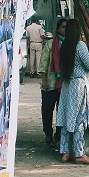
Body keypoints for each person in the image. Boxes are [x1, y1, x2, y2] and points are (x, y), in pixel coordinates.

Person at [57, 19, 89, 164]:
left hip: (67, 86)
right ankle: (80, 154)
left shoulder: (64, 46)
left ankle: (65, 152)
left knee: (67, 117)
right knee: (79, 119)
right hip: (79, 86)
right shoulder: (80, 46)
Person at [39, 19, 66, 147]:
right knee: (47, 109)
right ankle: (48, 133)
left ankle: (59, 135)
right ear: (57, 29)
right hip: (50, 82)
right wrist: (44, 80)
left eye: (67, 28)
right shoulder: (50, 44)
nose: (64, 30)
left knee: (61, 111)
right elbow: (43, 63)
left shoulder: (72, 44)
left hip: (64, 84)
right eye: (62, 27)